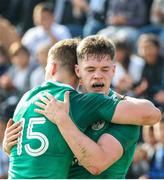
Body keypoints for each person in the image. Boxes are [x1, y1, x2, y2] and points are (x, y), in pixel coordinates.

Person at [3, 36, 161, 178]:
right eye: (90, 69)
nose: (98, 75)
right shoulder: (67, 104)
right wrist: (13, 146)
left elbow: (96, 164)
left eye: (104, 69)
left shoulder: (127, 116)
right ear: (78, 71)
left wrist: (63, 121)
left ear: (114, 70)